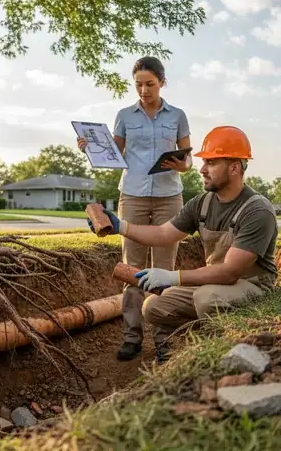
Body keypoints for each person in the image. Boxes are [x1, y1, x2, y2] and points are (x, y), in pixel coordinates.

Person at [88, 125, 278, 363]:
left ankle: (218, 348)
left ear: (234, 167)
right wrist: (120, 227)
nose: (202, 170)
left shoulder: (257, 210)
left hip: (251, 285)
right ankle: (191, 341)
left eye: (211, 163)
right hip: (213, 283)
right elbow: (162, 234)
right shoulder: (202, 204)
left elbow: (230, 273)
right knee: (154, 306)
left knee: (207, 299)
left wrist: (172, 277)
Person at [77, 56, 193, 360]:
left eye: (150, 84)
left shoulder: (178, 115)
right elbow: (112, 152)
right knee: (132, 268)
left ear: (162, 82)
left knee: (164, 269)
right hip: (132, 195)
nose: (144, 90)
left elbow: (189, 161)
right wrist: (90, 146)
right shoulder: (125, 116)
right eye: (139, 84)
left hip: (169, 196)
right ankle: (132, 337)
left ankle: (164, 340)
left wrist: (184, 165)